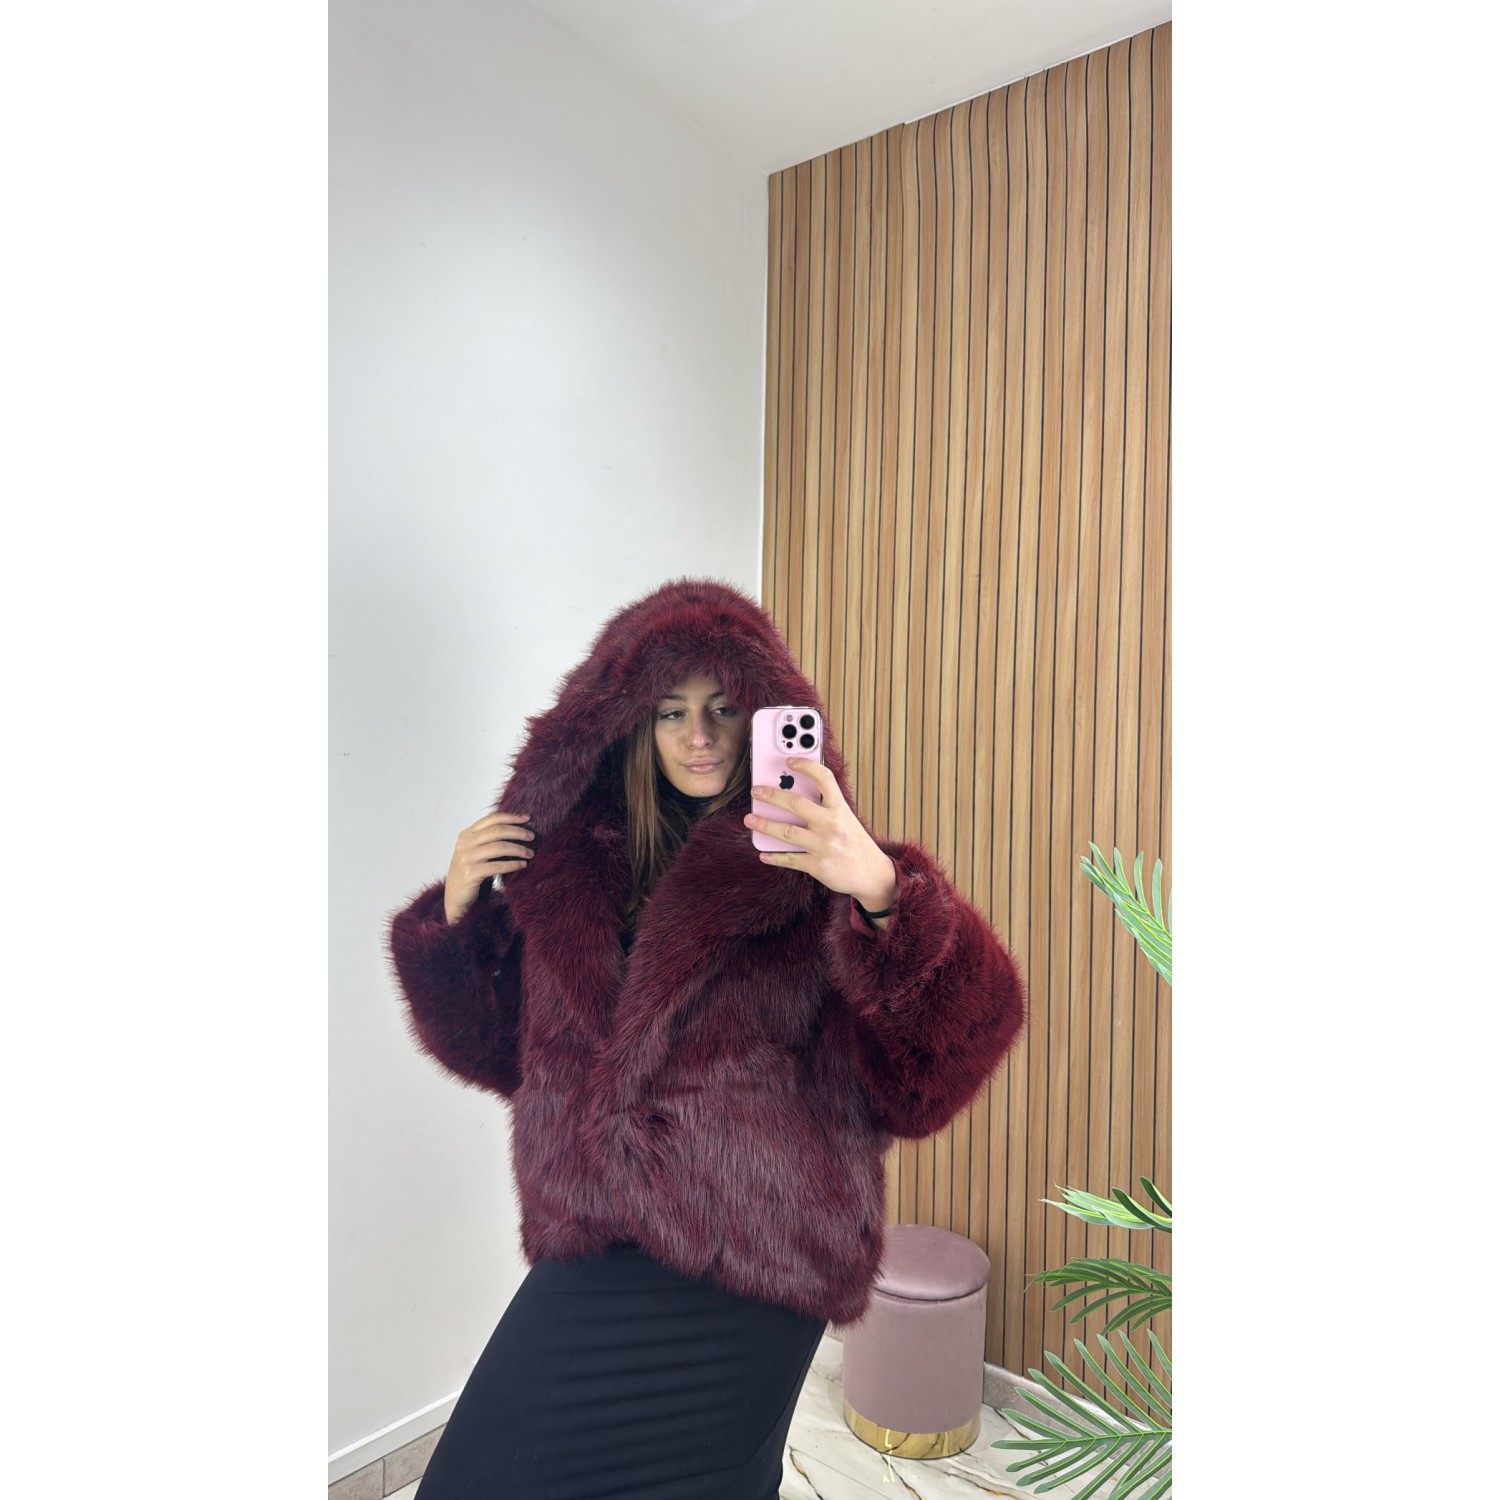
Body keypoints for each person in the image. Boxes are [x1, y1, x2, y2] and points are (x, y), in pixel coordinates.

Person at [385, 576, 1027, 1499]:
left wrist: (886, 894)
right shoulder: (571, 881)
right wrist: (456, 922)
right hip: (599, 1241)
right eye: (671, 711)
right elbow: (497, 1054)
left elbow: (932, 1077)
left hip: (758, 1263)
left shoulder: (816, 868)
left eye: (725, 708)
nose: (699, 735)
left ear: (766, 716)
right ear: (630, 725)